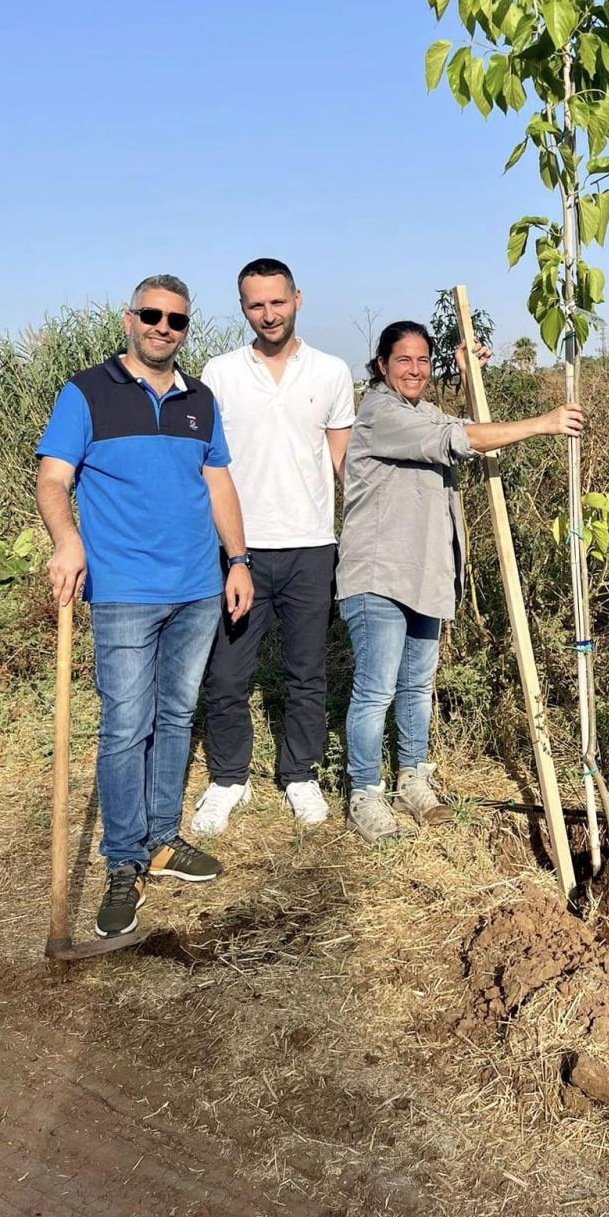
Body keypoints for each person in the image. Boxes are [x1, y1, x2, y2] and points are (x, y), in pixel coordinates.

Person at [36, 275, 254, 938]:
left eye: (177, 320)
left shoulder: (201, 401)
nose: (164, 327)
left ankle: (163, 840)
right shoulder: (86, 393)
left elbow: (218, 483)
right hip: (125, 591)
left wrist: (238, 560)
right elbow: (53, 479)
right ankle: (123, 861)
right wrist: (67, 542)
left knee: (176, 717)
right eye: (153, 315)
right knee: (127, 725)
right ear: (130, 319)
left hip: (196, 588)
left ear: (186, 329)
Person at [335, 319, 584, 844]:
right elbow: (461, 439)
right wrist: (545, 422)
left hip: (427, 574)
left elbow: (470, 428)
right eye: (403, 360)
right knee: (376, 690)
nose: (415, 369)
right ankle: (364, 793)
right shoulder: (380, 414)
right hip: (379, 574)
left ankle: (413, 780)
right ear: (381, 366)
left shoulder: (422, 412)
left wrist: (471, 373)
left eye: (423, 360)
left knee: (416, 686)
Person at [191, 258, 355, 834]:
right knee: (228, 671)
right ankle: (228, 777)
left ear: (297, 300)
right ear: (243, 309)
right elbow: (208, 464)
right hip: (242, 550)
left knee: (306, 670)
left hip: (313, 546)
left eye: (277, 302)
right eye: (256, 305)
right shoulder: (220, 373)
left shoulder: (331, 372)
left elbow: (343, 462)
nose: (268, 314)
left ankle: (300, 774)